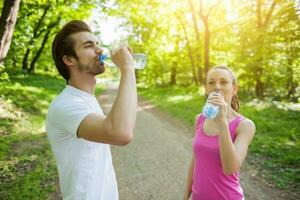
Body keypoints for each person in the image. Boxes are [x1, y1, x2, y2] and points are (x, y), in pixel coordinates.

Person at [46, 20, 137, 200]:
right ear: (69, 59)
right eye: (89, 46)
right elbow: (121, 133)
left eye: (97, 44)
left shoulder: (87, 99)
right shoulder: (65, 105)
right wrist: (128, 69)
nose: (100, 50)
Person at [183, 65, 256, 200]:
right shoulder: (199, 119)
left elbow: (230, 168)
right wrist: (185, 196)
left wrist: (222, 122)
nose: (217, 86)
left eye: (223, 82)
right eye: (211, 82)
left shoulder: (245, 126)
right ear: (207, 89)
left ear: (234, 89)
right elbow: (195, 161)